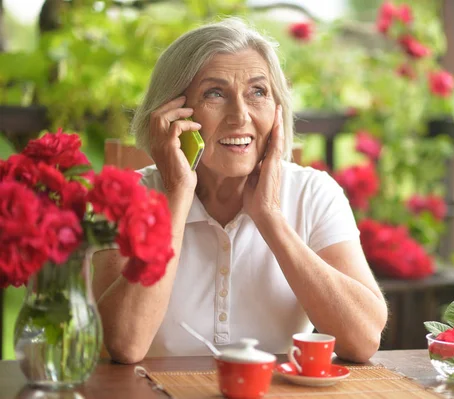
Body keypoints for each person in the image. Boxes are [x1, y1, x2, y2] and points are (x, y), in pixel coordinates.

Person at [92, 17, 388, 364]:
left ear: (278, 111)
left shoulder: (314, 193)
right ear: (171, 112)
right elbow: (125, 344)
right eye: (215, 93)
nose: (240, 115)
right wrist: (177, 195)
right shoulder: (129, 197)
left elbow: (363, 340)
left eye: (258, 92)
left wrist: (271, 218)